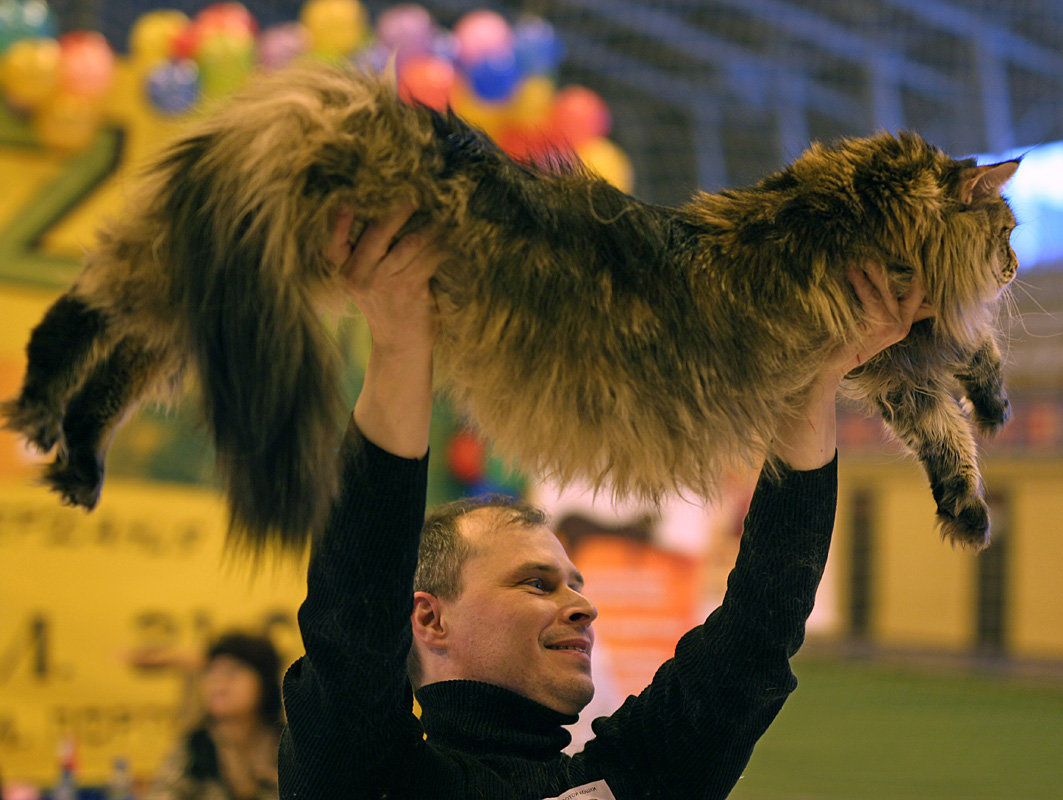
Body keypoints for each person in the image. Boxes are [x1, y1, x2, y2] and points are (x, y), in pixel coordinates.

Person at [277, 204, 931, 799]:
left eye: (572, 583)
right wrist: (400, 343)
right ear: (429, 620)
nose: (584, 605)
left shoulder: (628, 777)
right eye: (537, 583)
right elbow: (354, 607)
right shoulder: (366, 777)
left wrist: (814, 379)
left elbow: (762, 626)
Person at [144, 632, 283, 800]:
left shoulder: (285, 744)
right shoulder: (196, 745)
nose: (218, 685)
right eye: (212, 672)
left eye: (232, 673)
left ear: (264, 683)